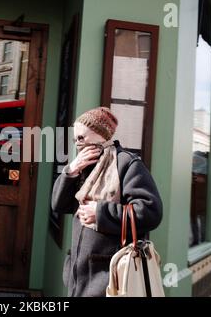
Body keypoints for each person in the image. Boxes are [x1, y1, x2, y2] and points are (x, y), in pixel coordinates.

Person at [51, 107, 163, 297]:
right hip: (79, 279)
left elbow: (151, 212)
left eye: (81, 138)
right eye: (75, 140)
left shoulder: (126, 163)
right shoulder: (84, 165)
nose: (78, 144)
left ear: (101, 135)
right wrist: (71, 171)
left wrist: (101, 212)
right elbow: (59, 205)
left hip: (109, 279)